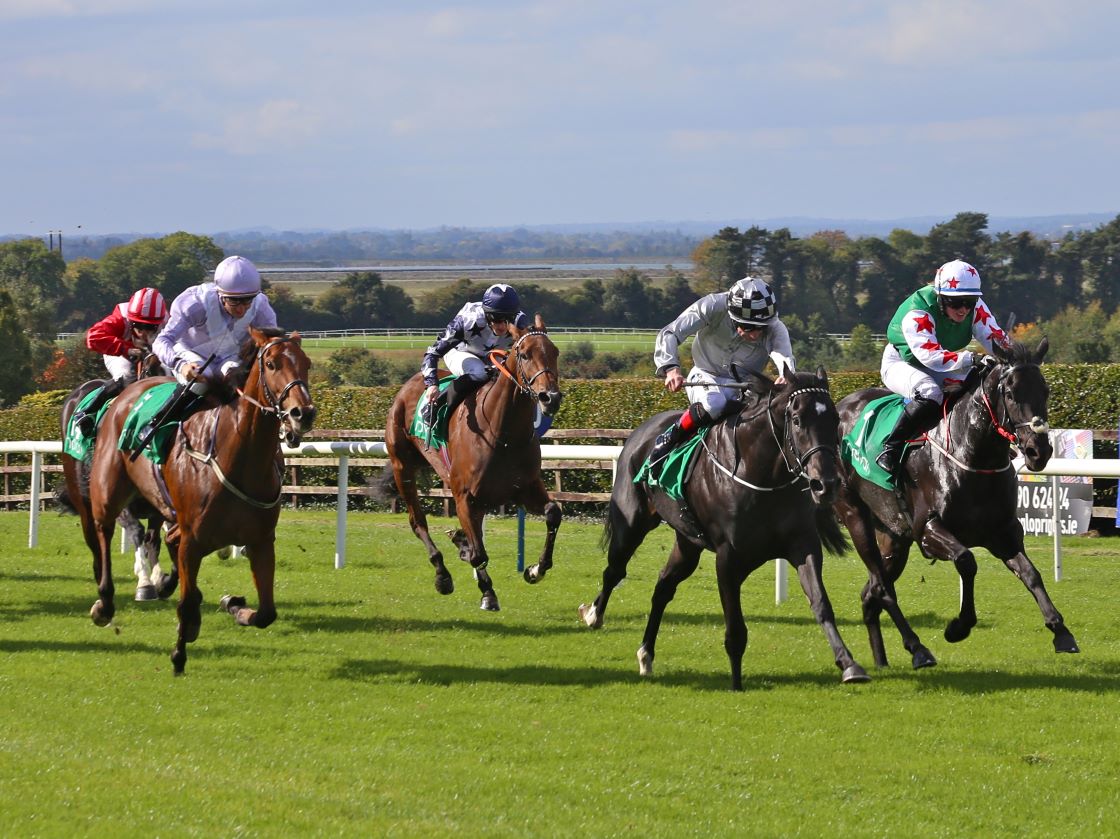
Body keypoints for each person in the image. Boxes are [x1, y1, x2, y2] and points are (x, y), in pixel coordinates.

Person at [648, 276, 795, 476]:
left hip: (745, 387)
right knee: (714, 403)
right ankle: (669, 438)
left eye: (761, 328)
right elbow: (671, 332)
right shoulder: (712, 305)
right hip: (705, 375)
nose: (755, 335)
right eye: (748, 327)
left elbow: (784, 355)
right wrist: (671, 368)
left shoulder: (775, 327)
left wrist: (785, 375)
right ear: (733, 316)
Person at [875, 258, 1009, 476]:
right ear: (940, 298)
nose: (964, 309)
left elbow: (996, 339)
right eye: (956, 303)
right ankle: (891, 448)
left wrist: (1018, 359)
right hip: (903, 363)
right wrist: (970, 359)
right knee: (930, 392)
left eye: (969, 302)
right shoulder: (917, 312)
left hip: (943, 363)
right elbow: (930, 356)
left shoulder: (975, 307)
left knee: (982, 385)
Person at [152, 255, 278, 420]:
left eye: (247, 301)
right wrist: (181, 365)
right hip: (189, 352)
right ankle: (158, 423)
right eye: (234, 301)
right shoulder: (194, 304)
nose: (241, 309)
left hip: (229, 356)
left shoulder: (261, 306)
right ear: (221, 294)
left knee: (241, 379)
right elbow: (161, 341)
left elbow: (274, 346)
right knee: (204, 379)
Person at [420, 283, 531, 422]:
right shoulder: (467, 320)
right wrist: (431, 384)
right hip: (459, 352)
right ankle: (435, 406)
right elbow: (432, 353)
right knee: (479, 372)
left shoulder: (520, 322)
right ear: (487, 314)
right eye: (496, 319)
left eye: (506, 320)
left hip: (491, 356)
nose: (502, 326)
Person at [72, 287, 168, 436]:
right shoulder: (121, 318)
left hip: (151, 355)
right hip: (118, 352)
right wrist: (125, 349)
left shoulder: (168, 321)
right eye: (138, 325)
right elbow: (92, 337)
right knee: (126, 375)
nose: (143, 332)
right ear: (131, 320)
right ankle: (87, 412)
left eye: (150, 327)